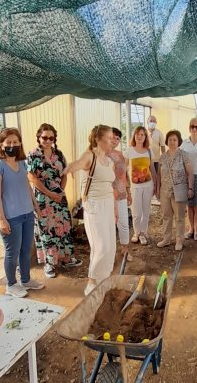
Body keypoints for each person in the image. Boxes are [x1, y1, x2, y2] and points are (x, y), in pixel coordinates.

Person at [0, 128, 44, 297]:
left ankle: (25, 280)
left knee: (26, 249)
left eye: (15, 142)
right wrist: (1, 219)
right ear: (1, 144)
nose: (12, 145)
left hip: (26, 213)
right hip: (10, 217)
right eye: (8, 142)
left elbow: (27, 186)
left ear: (20, 143)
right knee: (12, 252)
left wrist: (35, 206)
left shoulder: (21, 163)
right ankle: (11, 284)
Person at [63, 125, 117, 295]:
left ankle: (104, 278)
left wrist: (114, 209)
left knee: (110, 246)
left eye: (113, 138)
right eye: (109, 138)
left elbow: (110, 186)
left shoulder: (110, 161)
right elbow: (77, 164)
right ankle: (92, 281)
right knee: (100, 246)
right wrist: (69, 168)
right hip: (94, 205)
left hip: (108, 204)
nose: (112, 141)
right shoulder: (89, 156)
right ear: (98, 139)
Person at [27, 123, 81, 279]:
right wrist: (50, 193)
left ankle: (65, 258)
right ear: (39, 137)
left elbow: (64, 173)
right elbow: (32, 177)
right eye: (44, 137)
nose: (48, 140)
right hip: (43, 199)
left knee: (63, 227)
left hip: (59, 197)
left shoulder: (59, 154)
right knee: (47, 230)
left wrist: (61, 191)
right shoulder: (33, 155)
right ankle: (49, 263)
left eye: (51, 138)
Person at [157, 130, 194, 251]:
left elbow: (190, 173)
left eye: (175, 140)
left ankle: (179, 240)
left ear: (179, 141)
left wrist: (190, 188)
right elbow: (159, 175)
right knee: (166, 216)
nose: (172, 142)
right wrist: (158, 189)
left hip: (179, 190)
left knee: (179, 217)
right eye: (170, 140)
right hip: (165, 191)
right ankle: (166, 239)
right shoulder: (162, 157)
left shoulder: (184, 155)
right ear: (166, 141)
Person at [125, 126, 158, 245]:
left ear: (145, 137)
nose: (139, 137)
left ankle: (143, 233)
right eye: (137, 134)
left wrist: (155, 183)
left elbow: (152, 168)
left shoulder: (149, 151)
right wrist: (126, 184)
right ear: (134, 136)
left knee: (146, 210)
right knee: (136, 212)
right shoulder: (129, 150)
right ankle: (136, 232)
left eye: (142, 135)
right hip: (134, 187)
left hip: (148, 186)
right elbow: (123, 168)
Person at [107, 127, 133, 262]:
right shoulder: (101, 155)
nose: (116, 140)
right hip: (107, 196)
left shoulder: (120, 155)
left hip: (121, 194)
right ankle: (109, 252)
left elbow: (125, 174)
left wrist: (128, 192)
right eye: (113, 137)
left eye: (118, 138)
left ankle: (125, 249)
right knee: (109, 224)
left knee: (123, 222)